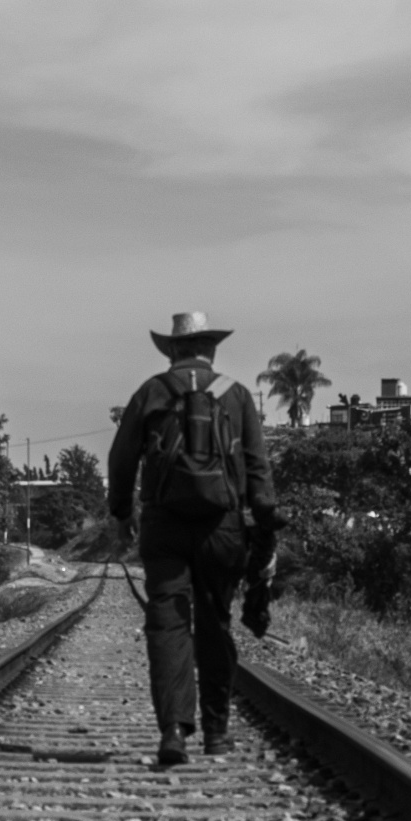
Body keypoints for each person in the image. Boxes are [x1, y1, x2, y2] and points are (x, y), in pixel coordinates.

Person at [108, 312, 285, 765]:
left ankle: (173, 729)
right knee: (215, 623)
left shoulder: (151, 392)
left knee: (167, 622)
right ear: (211, 349)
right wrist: (264, 526)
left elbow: (122, 457)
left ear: (172, 350)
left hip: (164, 526)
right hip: (222, 528)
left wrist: (121, 513)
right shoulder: (237, 395)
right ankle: (217, 734)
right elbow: (259, 470)